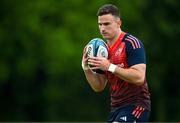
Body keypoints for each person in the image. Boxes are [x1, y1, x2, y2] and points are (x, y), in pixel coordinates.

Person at [82, 4, 151, 122]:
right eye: (100, 24)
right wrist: (86, 68)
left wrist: (110, 66)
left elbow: (139, 77)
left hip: (136, 105)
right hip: (116, 108)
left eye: (107, 24)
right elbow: (99, 86)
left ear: (119, 23)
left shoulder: (131, 43)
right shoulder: (103, 50)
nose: (102, 28)